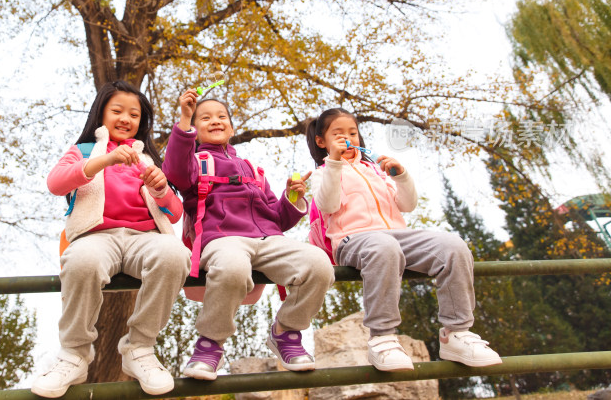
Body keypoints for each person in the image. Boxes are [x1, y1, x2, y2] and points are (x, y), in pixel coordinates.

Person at [305, 108, 502, 372]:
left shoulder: (375, 170)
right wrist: (334, 164)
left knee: (453, 246)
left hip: (398, 237)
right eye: (338, 134)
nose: (347, 139)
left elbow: (407, 205)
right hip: (354, 240)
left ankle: (456, 334)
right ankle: (382, 338)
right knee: (384, 247)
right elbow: (327, 204)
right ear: (322, 141)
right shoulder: (324, 172)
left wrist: (401, 176)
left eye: (352, 133)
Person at [31, 80, 191, 398]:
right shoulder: (85, 151)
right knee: (82, 261)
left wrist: (160, 187)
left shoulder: (146, 159)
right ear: (101, 114)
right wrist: (105, 160)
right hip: (96, 236)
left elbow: (173, 214)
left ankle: (140, 349)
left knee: (174, 253)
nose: (125, 119)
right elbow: (56, 182)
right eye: (117, 110)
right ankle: (74, 355)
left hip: (143, 238)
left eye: (134, 115)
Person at [162, 88, 334, 380]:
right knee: (232, 267)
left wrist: (291, 199)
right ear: (195, 127)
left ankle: (286, 331)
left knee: (319, 264)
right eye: (205, 118)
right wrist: (184, 121)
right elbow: (175, 171)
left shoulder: (253, 170)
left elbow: (276, 219)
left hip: (267, 240)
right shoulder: (195, 162)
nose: (215, 121)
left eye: (222, 116)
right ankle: (210, 344)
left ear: (231, 126)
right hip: (221, 239)